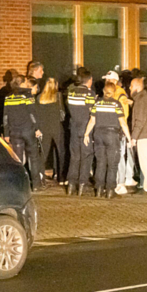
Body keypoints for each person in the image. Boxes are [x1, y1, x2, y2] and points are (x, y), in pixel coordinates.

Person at [84, 80, 132, 198]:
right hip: (112, 135)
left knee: (100, 163)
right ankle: (110, 190)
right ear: (114, 92)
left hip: (98, 134)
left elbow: (92, 121)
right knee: (112, 164)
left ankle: (99, 189)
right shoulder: (116, 104)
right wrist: (129, 138)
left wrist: (86, 134)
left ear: (104, 91)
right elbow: (122, 123)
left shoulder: (97, 103)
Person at [3, 76, 43, 189]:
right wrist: (37, 128)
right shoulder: (28, 95)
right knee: (33, 157)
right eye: (25, 82)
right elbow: (32, 114)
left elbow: (5, 117)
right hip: (28, 131)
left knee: (18, 160)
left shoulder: (8, 97)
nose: (27, 83)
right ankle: (36, 184)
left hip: (14, 132)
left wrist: (6, 133)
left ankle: (20, 185)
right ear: (21, 83)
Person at [66, 68, 96, 196]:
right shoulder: (90, 94)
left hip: (73, 127)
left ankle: (71, 184)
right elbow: (92, 112)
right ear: (89, 81)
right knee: (86, 156)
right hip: (86, 129)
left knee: (74, 156)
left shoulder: (71, 93)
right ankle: (82, 184)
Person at [35, 78, 65, 185]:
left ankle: (40, 176)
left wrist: (38, 128)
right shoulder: (58, 96)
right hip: (56, 127)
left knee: (43, 153)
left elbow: (36, 115)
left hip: (44, 128)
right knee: (61, 152)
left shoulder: (39, 97)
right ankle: (61, 178)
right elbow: (62, 114)